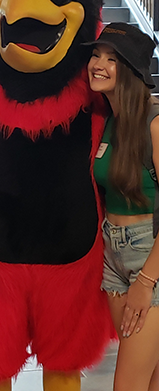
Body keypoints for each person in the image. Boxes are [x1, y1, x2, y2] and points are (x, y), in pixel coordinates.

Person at [87, 22, 159, 391]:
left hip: (150, 257)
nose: (98, 64)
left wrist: (147, 281)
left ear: (131, 69)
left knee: (127, 384)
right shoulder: (110, 121)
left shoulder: (154, 120)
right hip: (113, 254)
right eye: (96, 55)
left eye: (112, 59)